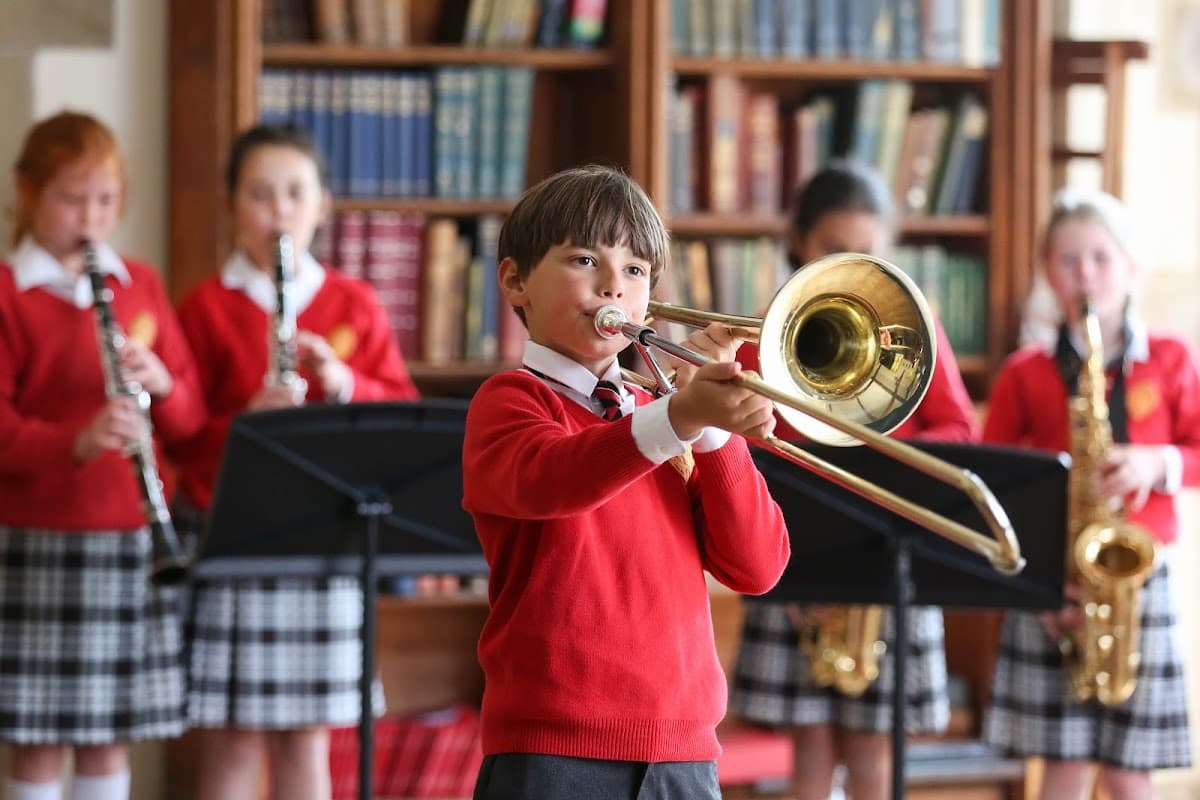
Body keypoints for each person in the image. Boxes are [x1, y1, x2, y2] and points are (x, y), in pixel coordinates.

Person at [461, 164, 791, 800]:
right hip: (552, 750)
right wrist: (683, 416)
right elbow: (553, 480)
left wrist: (715, 433)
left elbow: (757, 566)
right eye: (585, 259)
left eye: (636, 270)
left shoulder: (665, 412)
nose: (615, 284)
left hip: (685, 751)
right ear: (515, 281)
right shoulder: (510, 401)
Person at [173, 123, 419, 800]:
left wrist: (342, 384)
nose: (278, 210)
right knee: (230, 732)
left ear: (321, 206)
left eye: (293, 193)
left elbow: (400, 411)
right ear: (232, 209)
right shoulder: (206, 307)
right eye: (259, 194)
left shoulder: (353, 301)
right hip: (237, 535)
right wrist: (248, 423)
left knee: (308, 734)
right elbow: (182, 434)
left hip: (325, 537)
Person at [731, 161, 978, 800]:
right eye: (832, 248)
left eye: (866, 250)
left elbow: (959, 432)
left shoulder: (916, 328)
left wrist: (883, 441)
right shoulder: (769, 328)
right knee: (807, 741)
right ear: (799, 243)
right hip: (796, 557)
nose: (849, 261)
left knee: (872, 747)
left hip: (886, 556)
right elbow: (740, 441)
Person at [0, 110, 203, 800]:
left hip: (128, 537)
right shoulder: (8, 293)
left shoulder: (138, 285)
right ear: (28, 193)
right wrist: (75, 442)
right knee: (35, 741)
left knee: (106, 735)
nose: (91, 217)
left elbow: (190, 419)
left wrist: (162, 385)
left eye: (106, 200)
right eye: (71, 198)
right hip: (35, 537)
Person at [982, 188, 1197, 800]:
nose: (1086, 274)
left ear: (1130, 267)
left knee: (1131, 771)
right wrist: (1039, 588)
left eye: (1101, 258)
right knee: (1062, 766)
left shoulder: (1172, 358)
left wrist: (1158, 463)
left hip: (1138, 580)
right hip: (1054, 579)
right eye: (1069, 260)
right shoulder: (1026, 371)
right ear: (1048, 274)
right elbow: (994, 480)